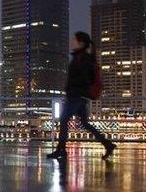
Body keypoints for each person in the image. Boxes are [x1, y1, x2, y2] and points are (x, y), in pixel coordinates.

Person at [47, 31, 116, 160]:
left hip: (76, 96)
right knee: (84, 123)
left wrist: (71, 87)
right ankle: (108, 144)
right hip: (80, 97)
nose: (72, 41)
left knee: (63, 119)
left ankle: (61, 150)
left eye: (75, 39)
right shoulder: (80, 56)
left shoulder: (82, 58)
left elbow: (84, 78)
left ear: (81, 43)